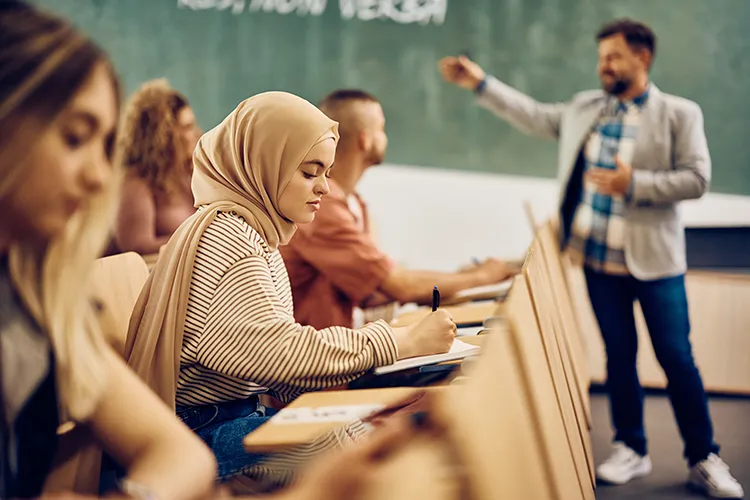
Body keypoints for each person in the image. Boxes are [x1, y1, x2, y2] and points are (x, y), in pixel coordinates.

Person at [439, 18, 744, 499]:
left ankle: (703, 457)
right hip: (599, 263)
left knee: (677, 359)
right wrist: (481, 83)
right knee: (617, 357)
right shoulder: (587, 108)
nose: (603, 65)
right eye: (601, 56)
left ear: (642, 58)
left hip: (656, 265)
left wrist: (635, 185)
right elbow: (535, 115)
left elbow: (697, 179)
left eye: (613, 56)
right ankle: (631, 447)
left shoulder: (679, 114)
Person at [124, 91, 457, 490]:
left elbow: (282, 370)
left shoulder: (254, 235)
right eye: (308, 173)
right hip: (201, 436)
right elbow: (277, 355)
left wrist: (372, 393)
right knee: (341, 457)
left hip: (229, 420)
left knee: (366, 437)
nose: (324, 189)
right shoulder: (232, 239)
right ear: (265, 163)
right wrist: (399, 343)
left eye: (326, 174)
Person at [0, 2, 217, 498]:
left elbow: (179, 453)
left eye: (103, 146)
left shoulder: (37, 302)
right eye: (75, 138)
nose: (99, 177)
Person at [279, 89, 514, 330]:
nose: (385, 137)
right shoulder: (323, 209)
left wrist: (457, 278)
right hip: (320, 354)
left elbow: (377, 287)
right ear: (365, 139)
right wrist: (483, 277)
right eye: (381, 128)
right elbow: (400, 285)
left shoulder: (355, 203)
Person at [113, 79, 201, 256]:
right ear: (163, 136)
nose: (196, 134)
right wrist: (199, 240)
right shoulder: (135, 184)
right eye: (187, 127)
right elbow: (136, 247)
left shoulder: (188, 175)